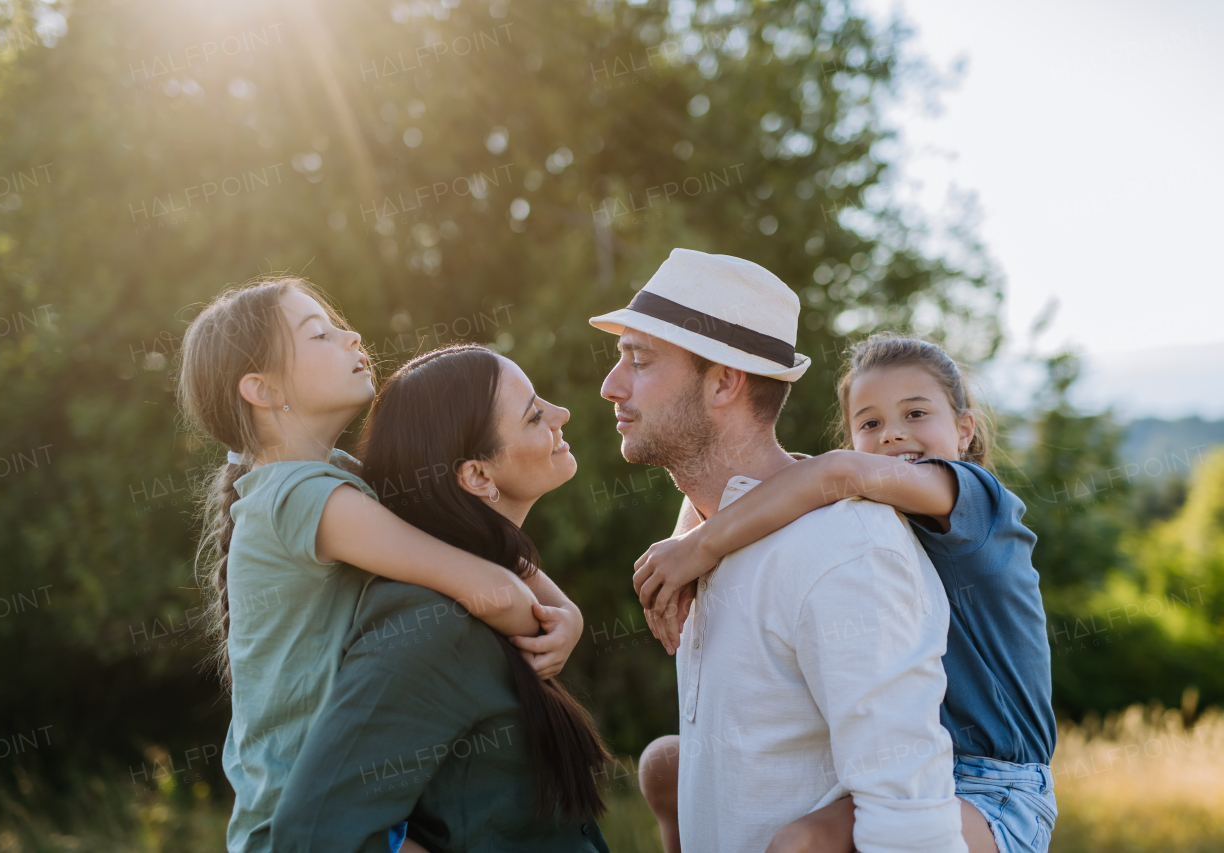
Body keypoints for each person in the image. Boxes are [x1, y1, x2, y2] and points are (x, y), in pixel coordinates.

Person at [177, 280, 584, 853]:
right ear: (262, 389)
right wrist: (545, 620)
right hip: (302, 825)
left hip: (357, 806)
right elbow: (487, 585)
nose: (352, 337)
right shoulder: (299, 497)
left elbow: (490, 548)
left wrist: (567, 611)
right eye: (320, 334)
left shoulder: (336, 480)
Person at [591, 249, 967, 853]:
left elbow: (909, 824)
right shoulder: (700, 536)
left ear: (723, 382)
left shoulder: (844, 552)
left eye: (639, 360)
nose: (611, 386)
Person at [631, 333, 1058, 853]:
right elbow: (781, 481)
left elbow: (830, 470)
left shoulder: (977, 497)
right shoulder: (871, 508)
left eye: (916, 414)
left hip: (996, 788)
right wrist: (685, 538)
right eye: (870, 423)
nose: (893, 436)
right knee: (665, 767)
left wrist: (698, 547)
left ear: (965, 430)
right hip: (928, 755)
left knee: (802, 843)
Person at [271, 345, 612, 852]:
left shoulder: (491, 582)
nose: (561, 415)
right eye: (535, 415)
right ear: (478, 476)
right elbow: (313, 835)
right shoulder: (429, 621)